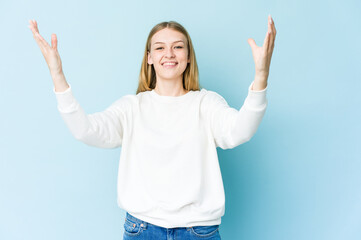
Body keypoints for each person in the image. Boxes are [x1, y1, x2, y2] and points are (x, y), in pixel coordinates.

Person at [28, 16, 276, 240]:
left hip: (199, 232)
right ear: (149, 58)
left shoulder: (206, 103)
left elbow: (240, 131)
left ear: (188, 56)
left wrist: (261, 75)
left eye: (178, 46)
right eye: (160, 48)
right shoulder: (131, 108)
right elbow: (86, 130)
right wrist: (57, 74)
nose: (169, 53)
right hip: (141, 230)